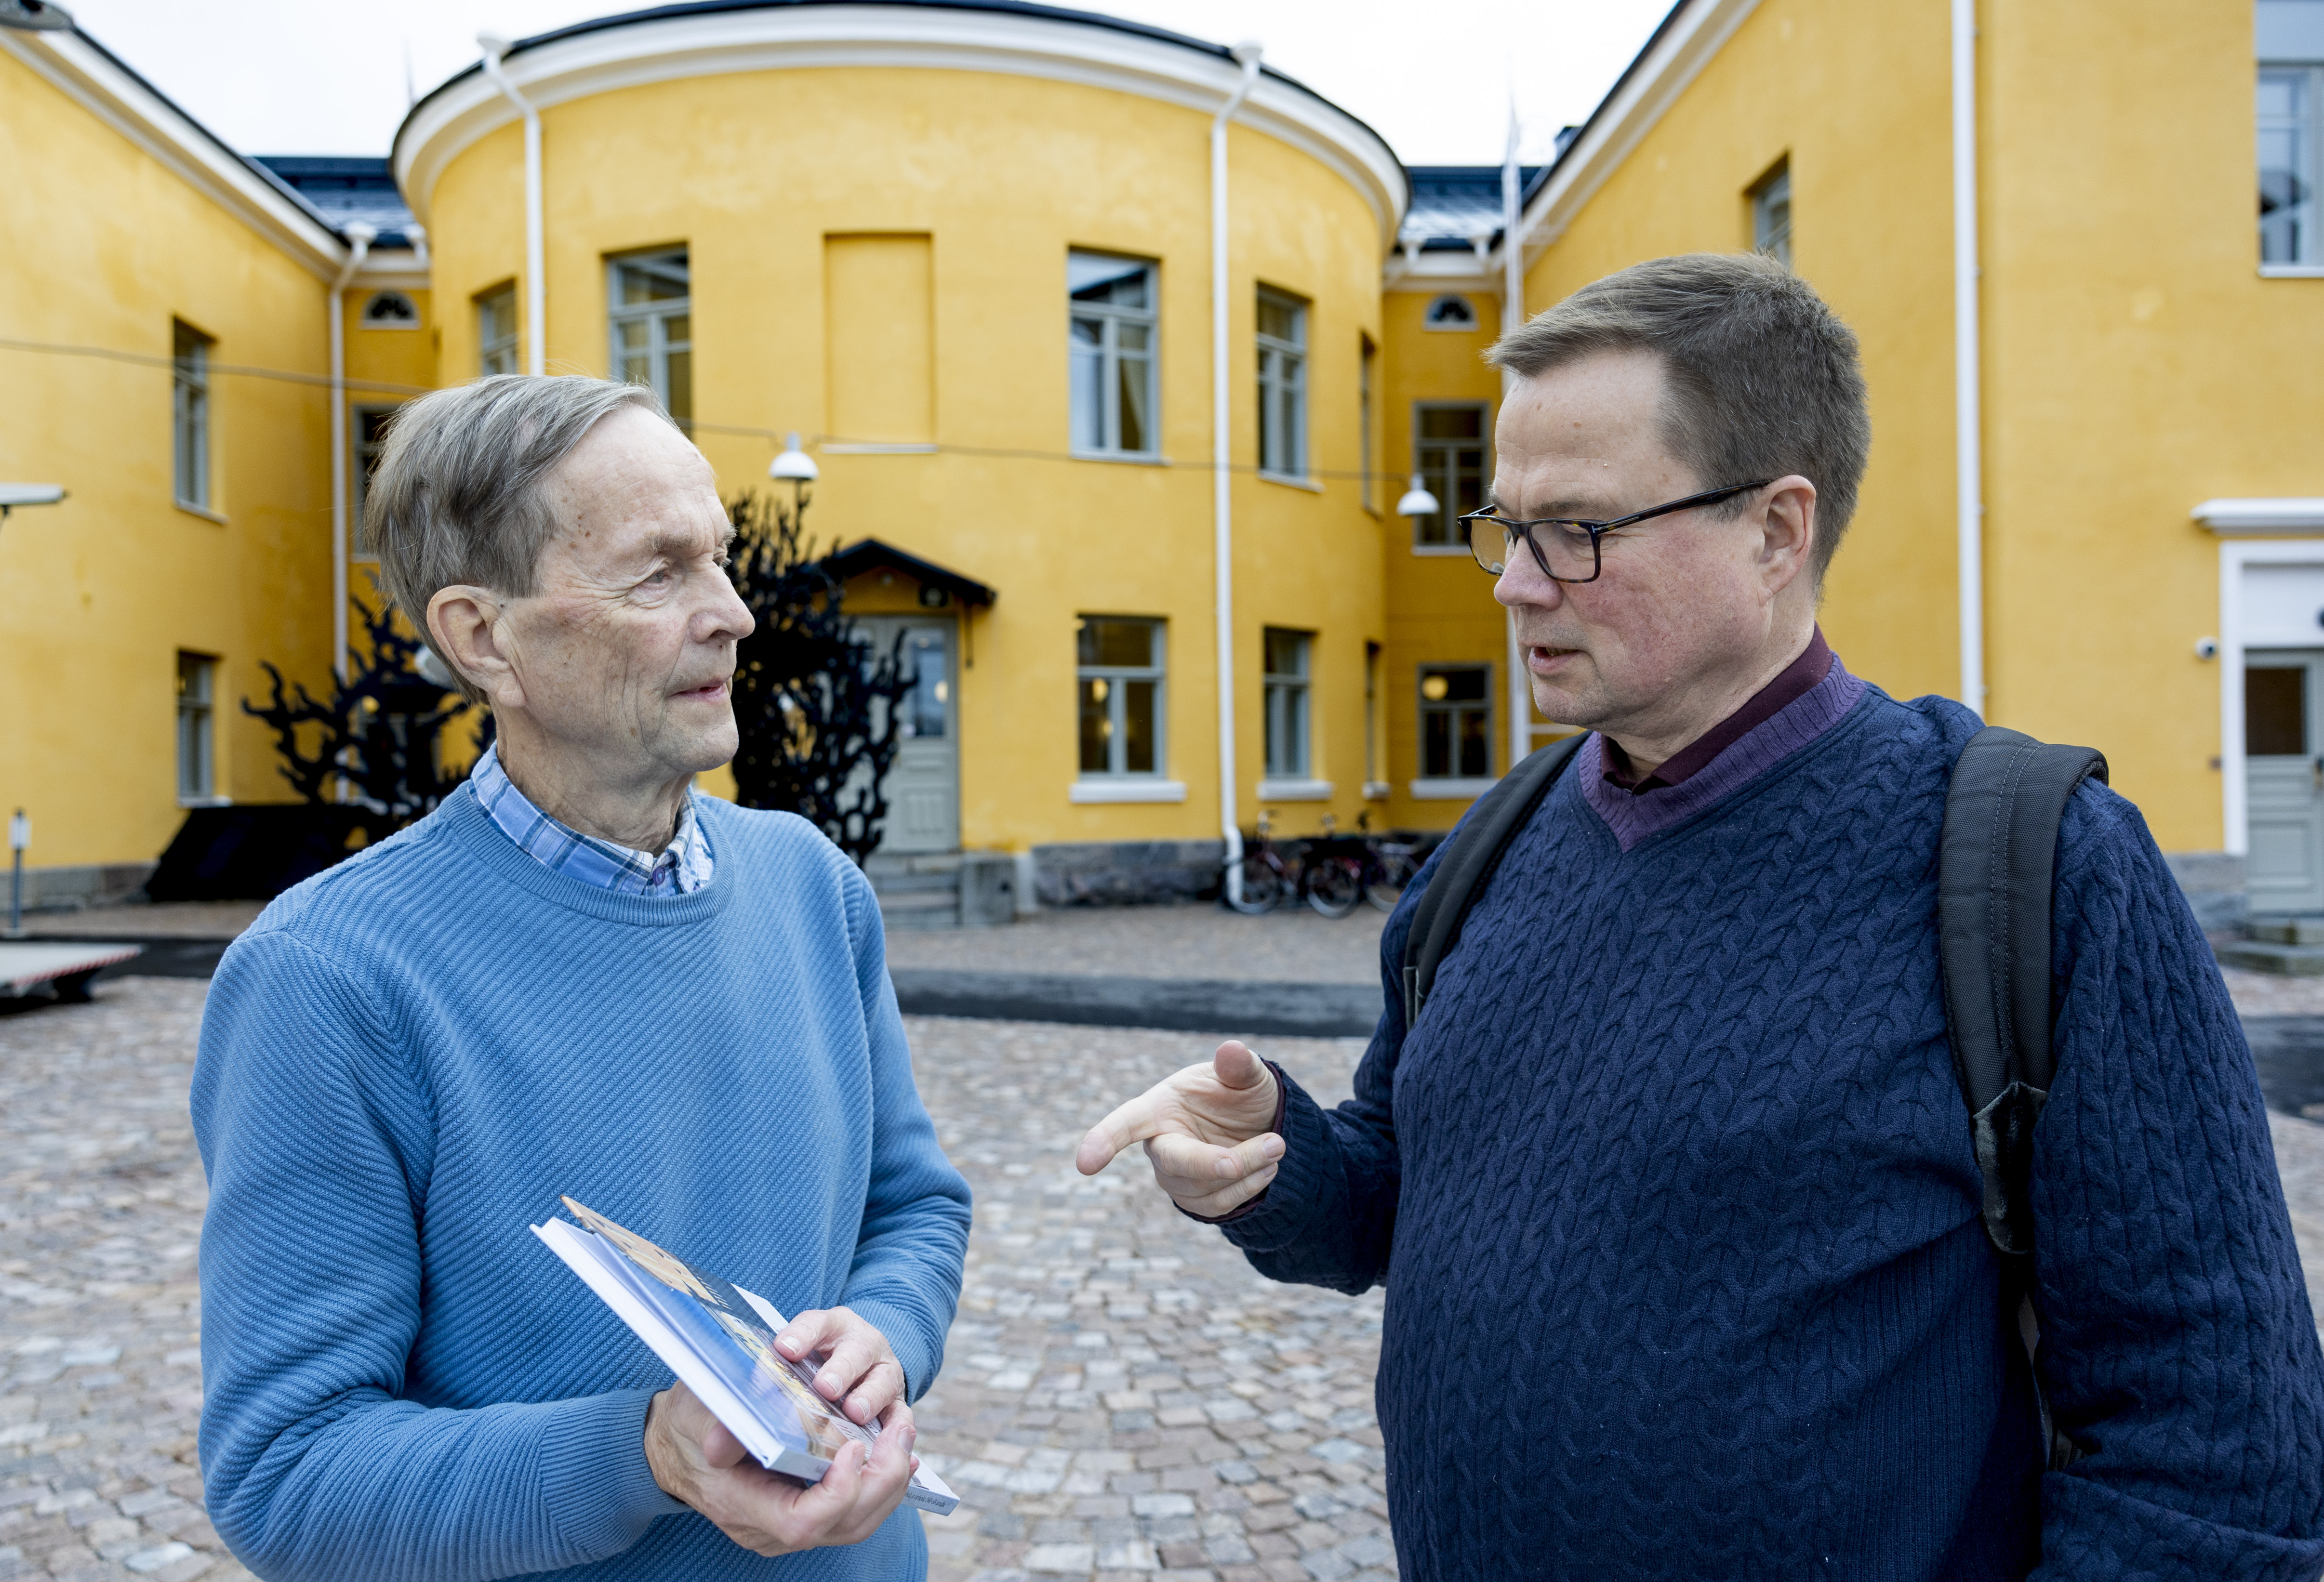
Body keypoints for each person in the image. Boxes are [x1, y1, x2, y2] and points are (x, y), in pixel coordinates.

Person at [1077, 253, 2324, 1579]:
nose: (1515, 584)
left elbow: (2217, 1452)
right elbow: (1397, 1191)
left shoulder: (2042, 866)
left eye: (1579, 531)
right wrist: (1284, 1155)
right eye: (1506, 525)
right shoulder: (1495, 843)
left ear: (1777, 531)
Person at [191, 375, 972, 1581]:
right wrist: (648, 1455)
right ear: (482, 637)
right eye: (659, 573)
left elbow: (913, 1207)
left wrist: (888, 1333)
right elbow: (288, 1474)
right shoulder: (326, 979)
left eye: (717, 559)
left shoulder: (815, 886)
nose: (731, 615)